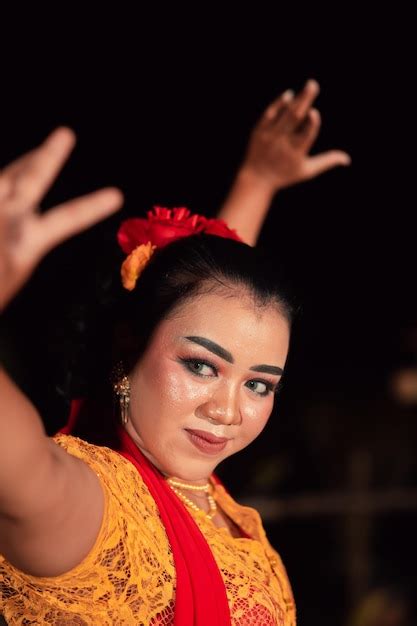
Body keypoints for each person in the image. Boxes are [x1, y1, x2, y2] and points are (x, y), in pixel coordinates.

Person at [0, 80, 350, 625]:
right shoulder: (93, 512)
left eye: (259, 383)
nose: (226, 411)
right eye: (201, 367)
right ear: (128, 347)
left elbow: (217, 308)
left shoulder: (210, 500)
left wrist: (256, 182)